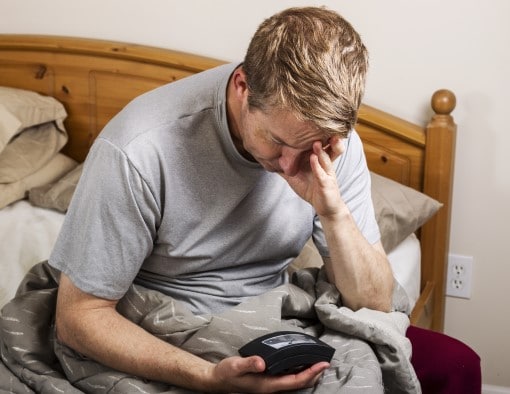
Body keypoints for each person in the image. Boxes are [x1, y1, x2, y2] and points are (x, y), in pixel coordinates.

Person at [50, 6, 481, 393]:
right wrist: (205, 377)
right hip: (165, 321)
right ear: (242, 86)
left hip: (278, 314)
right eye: (277, 141)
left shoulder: (331, 142)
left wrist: (332, 212)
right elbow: (78, 317)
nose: (290, 165)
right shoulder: (139, 147)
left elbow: (374, 302)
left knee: (458, 364)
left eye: (309, 147)